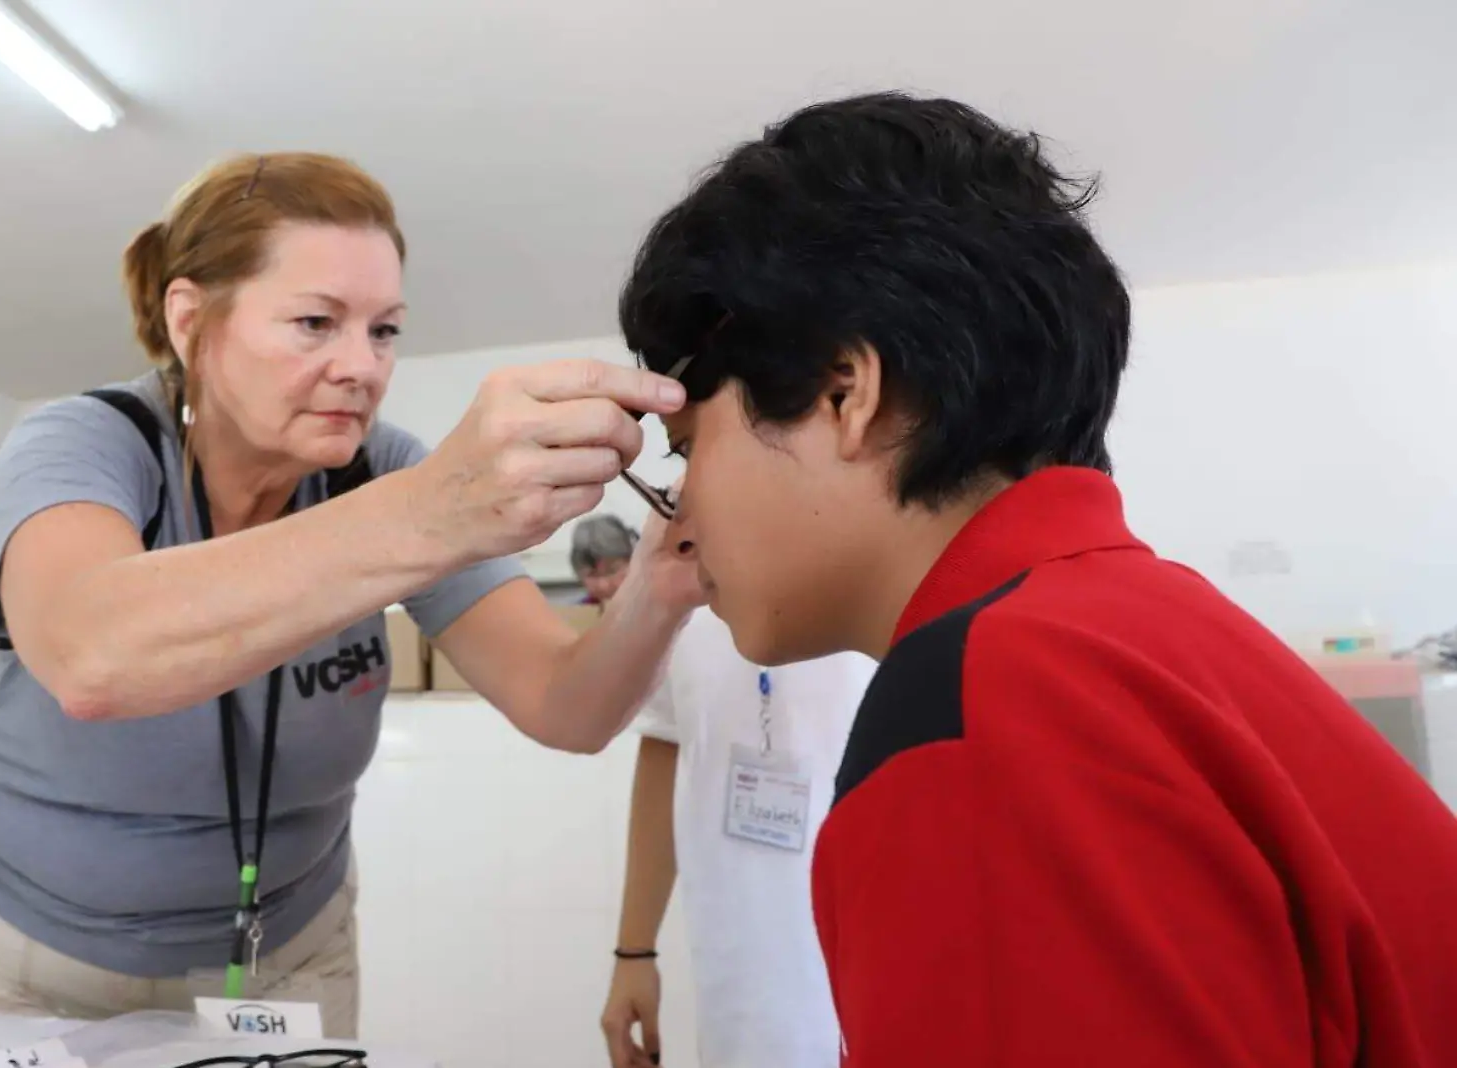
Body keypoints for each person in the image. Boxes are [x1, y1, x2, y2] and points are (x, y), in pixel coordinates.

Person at [618, 93, 1457, 1066]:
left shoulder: (983, 709)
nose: (679, 521)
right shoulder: (1139, 627)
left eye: (685, 450)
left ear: (846, 394)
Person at [0, 152, 702, 1034]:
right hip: (22, 951)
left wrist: (660, 587)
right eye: (316, 323)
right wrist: (431, 514)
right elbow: (91, 657)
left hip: (288, 953)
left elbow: (567, 705)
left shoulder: (390, 472)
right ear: (191, 321)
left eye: (385, 331)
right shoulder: (85, 442)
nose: (360, 366)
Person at [600, 604, 875, 1068]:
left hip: (865, 987)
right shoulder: (682, 596)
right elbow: (664, 746)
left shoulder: (882, 583)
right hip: (735, 986)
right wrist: (634, 950)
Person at [570, 514, 638, 604]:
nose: (604, 585)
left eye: (613, 571)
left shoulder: (657, 607)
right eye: (592, 575)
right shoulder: (575, 612)